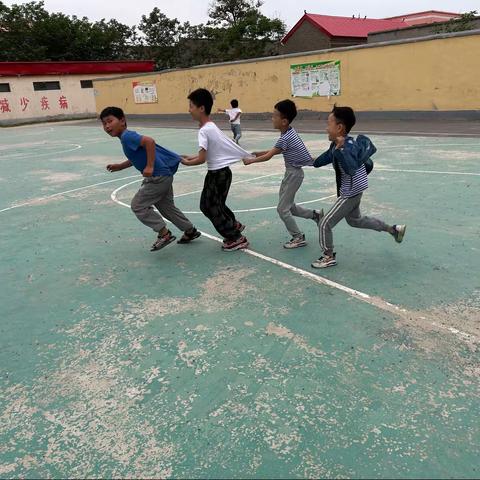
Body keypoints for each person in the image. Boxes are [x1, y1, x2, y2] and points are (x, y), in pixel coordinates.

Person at [312, 105, 406, 268]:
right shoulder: (337, 145)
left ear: (339, 127)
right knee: (356, 221)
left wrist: (342, 151)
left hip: (349, 194)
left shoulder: (347, 147)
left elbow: (350, 168)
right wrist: (309, 161)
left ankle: (328, 256)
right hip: (356, 191)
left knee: (324, 223)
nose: (326, 129)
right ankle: (393, 229)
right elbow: (323, 159)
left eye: (329, 124)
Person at [100, 106, 200, 251]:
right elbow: (136, 156)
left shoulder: (127, 136)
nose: (107, 126)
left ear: (122, 121)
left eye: (110, 121)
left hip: (157, 177)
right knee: (167, 208)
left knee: (138, 205)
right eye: (104, 124)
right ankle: (190, 231)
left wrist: (150, 166)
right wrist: (120, 166)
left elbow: (150, 142)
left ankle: (164, 234)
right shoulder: (125, 138)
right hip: (163, 176)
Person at [243, 99, 322, 249]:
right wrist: (258, 153)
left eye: (275, 116)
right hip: (291, 174)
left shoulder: (286, 137)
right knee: (289, 207)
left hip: (294, 175)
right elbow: (275, 150)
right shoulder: (289, 133)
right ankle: (315, 215)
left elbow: (269, 156)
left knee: (282, 209)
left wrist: (251, 161)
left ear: (284, 121)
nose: (272, 119)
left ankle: (298, 237)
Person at [181, 89, 251, 251]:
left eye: (191, 106)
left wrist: (187, 162)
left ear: (201, 108)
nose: (189, 110)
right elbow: (208, 153)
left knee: (209, 206)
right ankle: (233, 225)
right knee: (216, 204)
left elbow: (202, 159)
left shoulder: (204, 130)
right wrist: (191, 157)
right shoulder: (210, 126)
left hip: (217, 174)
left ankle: (235, 237)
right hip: (222, 173)